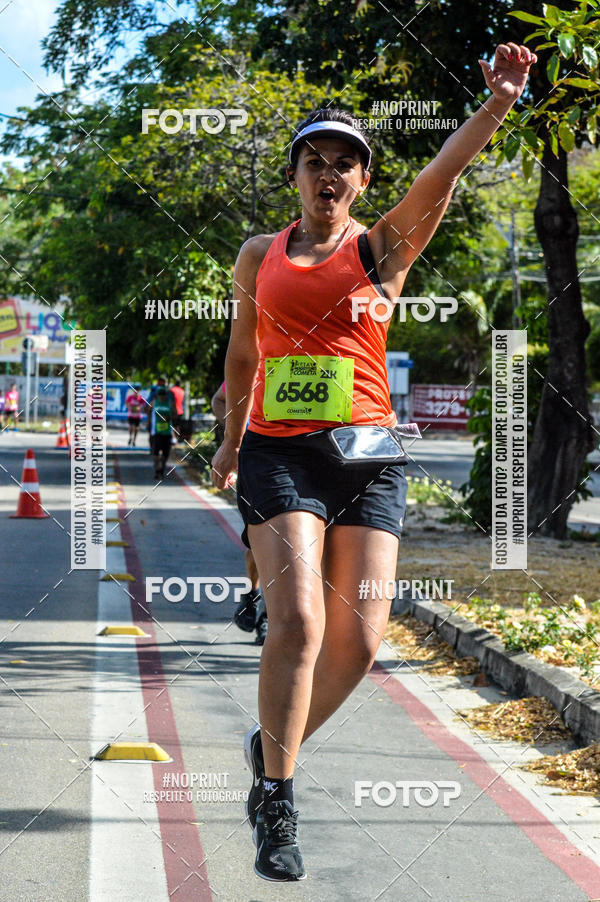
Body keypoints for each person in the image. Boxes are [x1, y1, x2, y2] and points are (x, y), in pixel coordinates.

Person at [211, 43, 537, 882]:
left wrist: (497, 104)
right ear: (294, 175)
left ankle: (266, 747)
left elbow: (441, 176)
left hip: (368, 457)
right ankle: (279, 802)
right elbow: (244, 356)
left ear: (361, 181)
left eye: (345, 164)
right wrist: (228, 436)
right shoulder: (259, 254)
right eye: (314, 160)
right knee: (302, 625)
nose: (329, 174)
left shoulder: (383, 250)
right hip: (280, 454)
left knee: (358, 640)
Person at [211, 381, 267, 646]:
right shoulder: (259, 360)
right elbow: (219, 400)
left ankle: (270, 616)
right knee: (262, 544)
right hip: (259, 462)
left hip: (311, 461)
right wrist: (240, 429)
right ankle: (253, 595)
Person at [147, 384, 176, 479]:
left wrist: (169, 417)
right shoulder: (154, 402)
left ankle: (162, 468)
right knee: (155, 453)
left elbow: (175, 415)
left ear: (166, 395)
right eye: (160, 394)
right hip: (156, 432)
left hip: (167, 432)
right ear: (157, 395)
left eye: (163, 394)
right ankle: (156, 470)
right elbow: (147, 411)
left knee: (165, 454)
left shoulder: (170, 403)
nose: (162, 396)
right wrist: (149, 422)